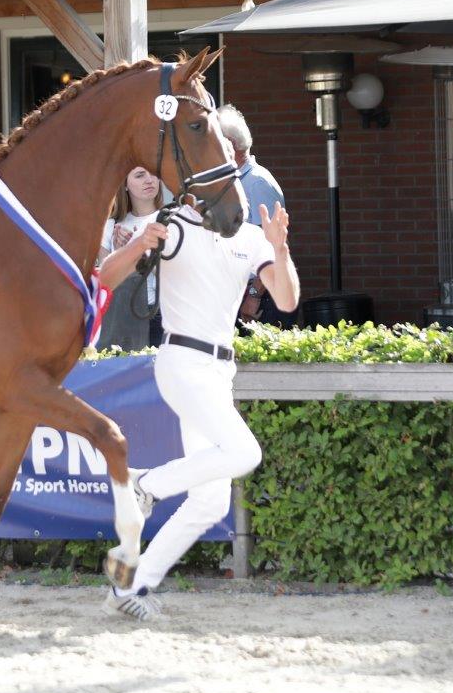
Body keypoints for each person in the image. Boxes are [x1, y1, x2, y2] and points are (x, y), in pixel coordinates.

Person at [96, 197, 300, 621]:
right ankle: (147, 485)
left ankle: (130, 585)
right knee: (246, 453)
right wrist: (138, 245)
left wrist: (280, 249)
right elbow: (106, 278)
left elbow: (286, 300)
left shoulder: (249, 236)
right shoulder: (170, 224)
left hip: (219, 370)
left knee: (209, 503)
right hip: (183, 361)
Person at [217, 104, 294, 328]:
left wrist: (254, 295)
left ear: (230, 144)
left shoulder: (257, 183)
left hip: (262, 297)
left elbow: (272, 246)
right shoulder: (235, 181)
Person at [95, 166, 166, 350]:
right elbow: (105, 280)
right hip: (121, 317)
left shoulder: (172, 219)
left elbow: (175, 271)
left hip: (160, 315)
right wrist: (120, 252)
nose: (149, 180)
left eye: (153, 174)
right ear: (125, 184)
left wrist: (136, 253)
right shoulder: (111, 226)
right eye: (140, 175)